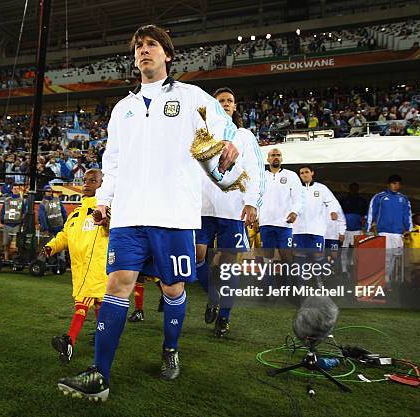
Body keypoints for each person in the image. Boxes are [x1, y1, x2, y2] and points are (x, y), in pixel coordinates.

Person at [57, 24, 239, 401]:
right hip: (128, 216)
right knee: (116, 286)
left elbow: (224, 129)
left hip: (173, 215)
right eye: (139, 46)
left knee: (172, 288)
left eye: (152, 45)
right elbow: (114, 160)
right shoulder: (123, 108)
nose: (144, 51)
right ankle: (99, 374)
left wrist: (230, 145)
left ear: (167, 55)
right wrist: (105, 199)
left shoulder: (191, 97)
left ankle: (170, 348)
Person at [195, 87, 265, 337]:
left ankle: (224, 317)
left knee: (227, 266)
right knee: (196, 256)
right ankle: (214, 296)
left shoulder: (244, 135)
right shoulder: (201, 134)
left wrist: (252, 202)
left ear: (235, 107)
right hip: (201, 206)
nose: (225, 103)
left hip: (231, 207)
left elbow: (256, 169)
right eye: (220, 100)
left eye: (230, 100)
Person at [45, 169, 108, 363]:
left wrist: (106, 218)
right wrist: (51, 247)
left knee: (83, 303)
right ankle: (103, 337)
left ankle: (69, 341)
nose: (86, 184)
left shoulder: (106, 209)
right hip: (79, 269)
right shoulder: (76, 214)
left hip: (97, 266)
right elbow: (65, 235)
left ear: (102, 185)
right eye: (85, 180)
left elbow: (110, 228)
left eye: (93, 181)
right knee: (98, 304)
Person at [258, 148, 304, 284]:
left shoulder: (291, 176)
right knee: (268, 255)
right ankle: (268, 284)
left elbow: (299, 198)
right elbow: (256, 197)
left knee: (286, 255)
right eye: (273, 155)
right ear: (268, 159)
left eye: (278, 155)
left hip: (284, 223)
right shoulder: (261, 176)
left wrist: (295, 212)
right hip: (265, 222)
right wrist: (256, 216)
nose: (275, 157)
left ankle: (290, 283)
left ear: (282, 158)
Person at [292, 166, 341, 286]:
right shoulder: (295, 189)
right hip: (298, 230)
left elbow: (332, 202)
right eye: (301, 173)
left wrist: (333, 211)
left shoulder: (321, 188)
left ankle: (320, 281)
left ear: (312, 173)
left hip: (316, 230)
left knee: (318, 256)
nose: (304, 175)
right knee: (299, 257)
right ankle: (301, 286)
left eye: (306, 172)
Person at [367, 175, 412, 285]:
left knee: (393, 257)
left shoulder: (404, 199)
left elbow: (408, 214)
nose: (396, 186)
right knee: (385, 257)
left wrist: (409, 229)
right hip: (383, 231)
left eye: (398, 184)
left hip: (397, 233)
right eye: (393, 183)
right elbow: (371, 212)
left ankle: (386, 278)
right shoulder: (379, 197)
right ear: (388, 184)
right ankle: (382, 280)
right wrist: (369, 229)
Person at [339, 182, 368, 275]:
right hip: (345, 229)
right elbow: (339, 214)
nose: (354, 190)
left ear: (358, 189)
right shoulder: (343, 199)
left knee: (355, 250)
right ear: (349, 189)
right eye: (352, 188)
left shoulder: (362, 200)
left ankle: (351, 267)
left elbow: (365, 216)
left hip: (357, 229)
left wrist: (364, 227)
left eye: (356, 188)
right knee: (344, 249)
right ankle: (343, 270)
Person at [0, 188, 25, 260]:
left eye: (17, 188)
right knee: (6, 243)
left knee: (16, 244)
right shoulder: (7, 200)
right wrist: (2, 220)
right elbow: (2, 211)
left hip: (17, 224)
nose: (16, 190)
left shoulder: (22, 201)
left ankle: (15, 259)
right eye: (14, 188)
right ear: (12, 190)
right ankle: (6, 258)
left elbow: (24, 212)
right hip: (7, 224)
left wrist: (21, 221)